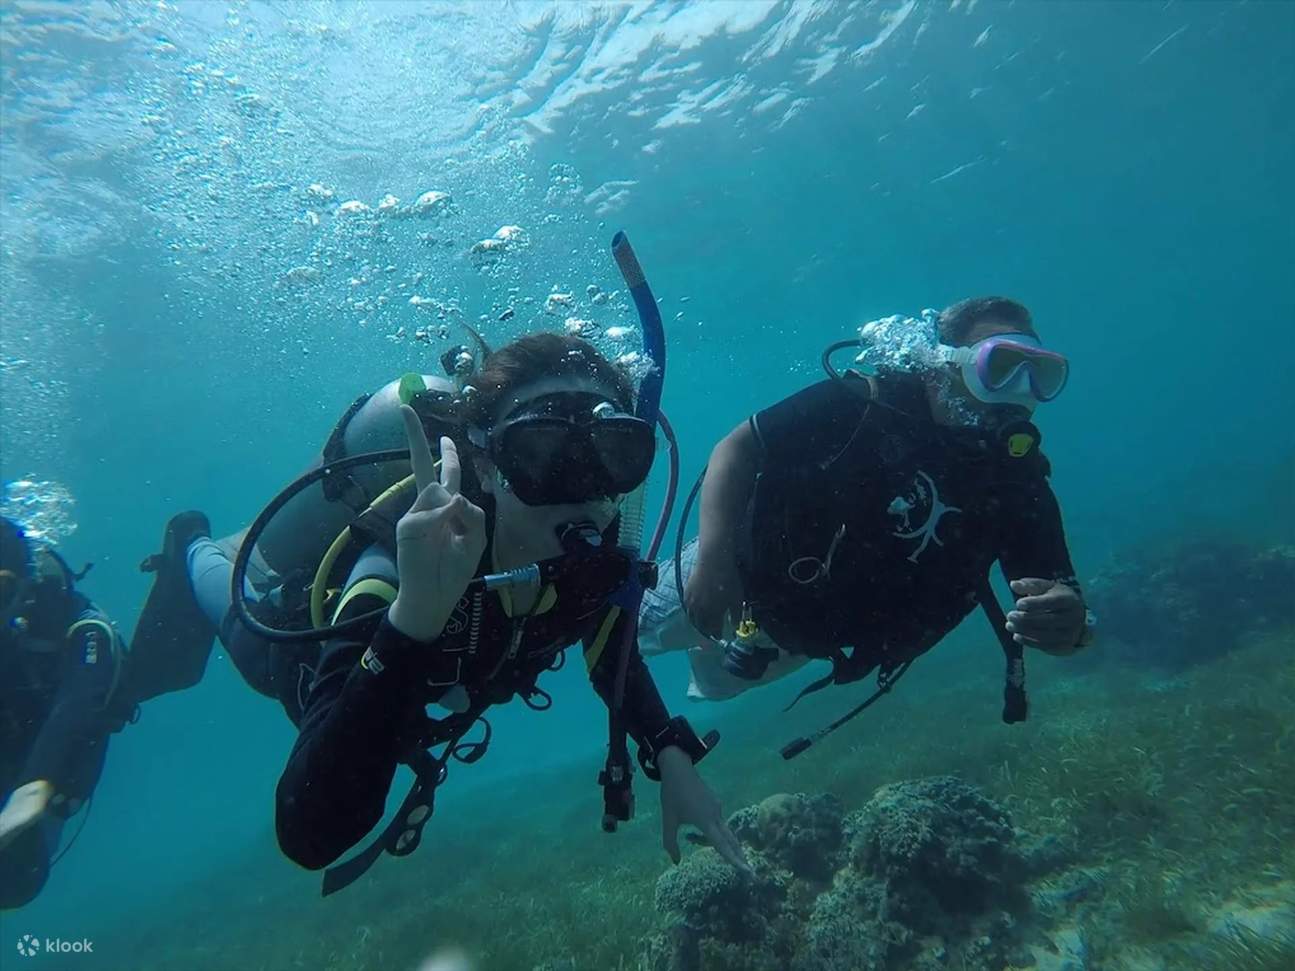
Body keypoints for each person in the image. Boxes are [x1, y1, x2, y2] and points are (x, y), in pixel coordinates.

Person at [134, 333, 748, 894]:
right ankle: (191, 545)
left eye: (612, 455)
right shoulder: (402, 565)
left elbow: (609, 643)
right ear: (486, 463)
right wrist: (412, 619)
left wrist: (670, 752)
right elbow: (308, 836)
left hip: (431, 690)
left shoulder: (590, 562)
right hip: (299, 656)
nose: (581, 489)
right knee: (239, 626)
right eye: (541, 453)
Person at [640, 297, 1095, 752]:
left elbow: (1056, 598)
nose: (1021, 391)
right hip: (734, 570)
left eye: (1042, 376)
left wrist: (1069, 626)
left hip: (806, 633)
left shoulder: (1016, 482)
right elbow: (736, 448)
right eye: (1001, 367)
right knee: (617, 625)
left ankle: (709, 653)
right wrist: (714, 565)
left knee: (720, 686)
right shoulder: (862, 403)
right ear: (942, 366)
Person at [0, 516, 129, 909]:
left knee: (13, 881)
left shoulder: (80, 624)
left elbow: (78, 701)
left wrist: (32, 790)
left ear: (25, 584)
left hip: (43, 780)